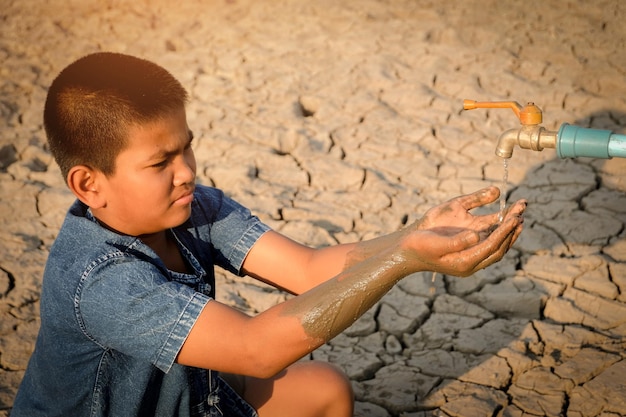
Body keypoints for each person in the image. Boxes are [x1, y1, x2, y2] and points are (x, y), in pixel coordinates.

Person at [12, 52, 526, 417]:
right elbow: (257, 349)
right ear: (88, 184)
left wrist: (413, 235)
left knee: (326, 391)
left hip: (188, 397)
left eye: (185, 148)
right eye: (160, 161)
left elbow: (307, 270)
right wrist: (405, 260)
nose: (186, 170)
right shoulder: (102, 281)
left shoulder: (192, 207)